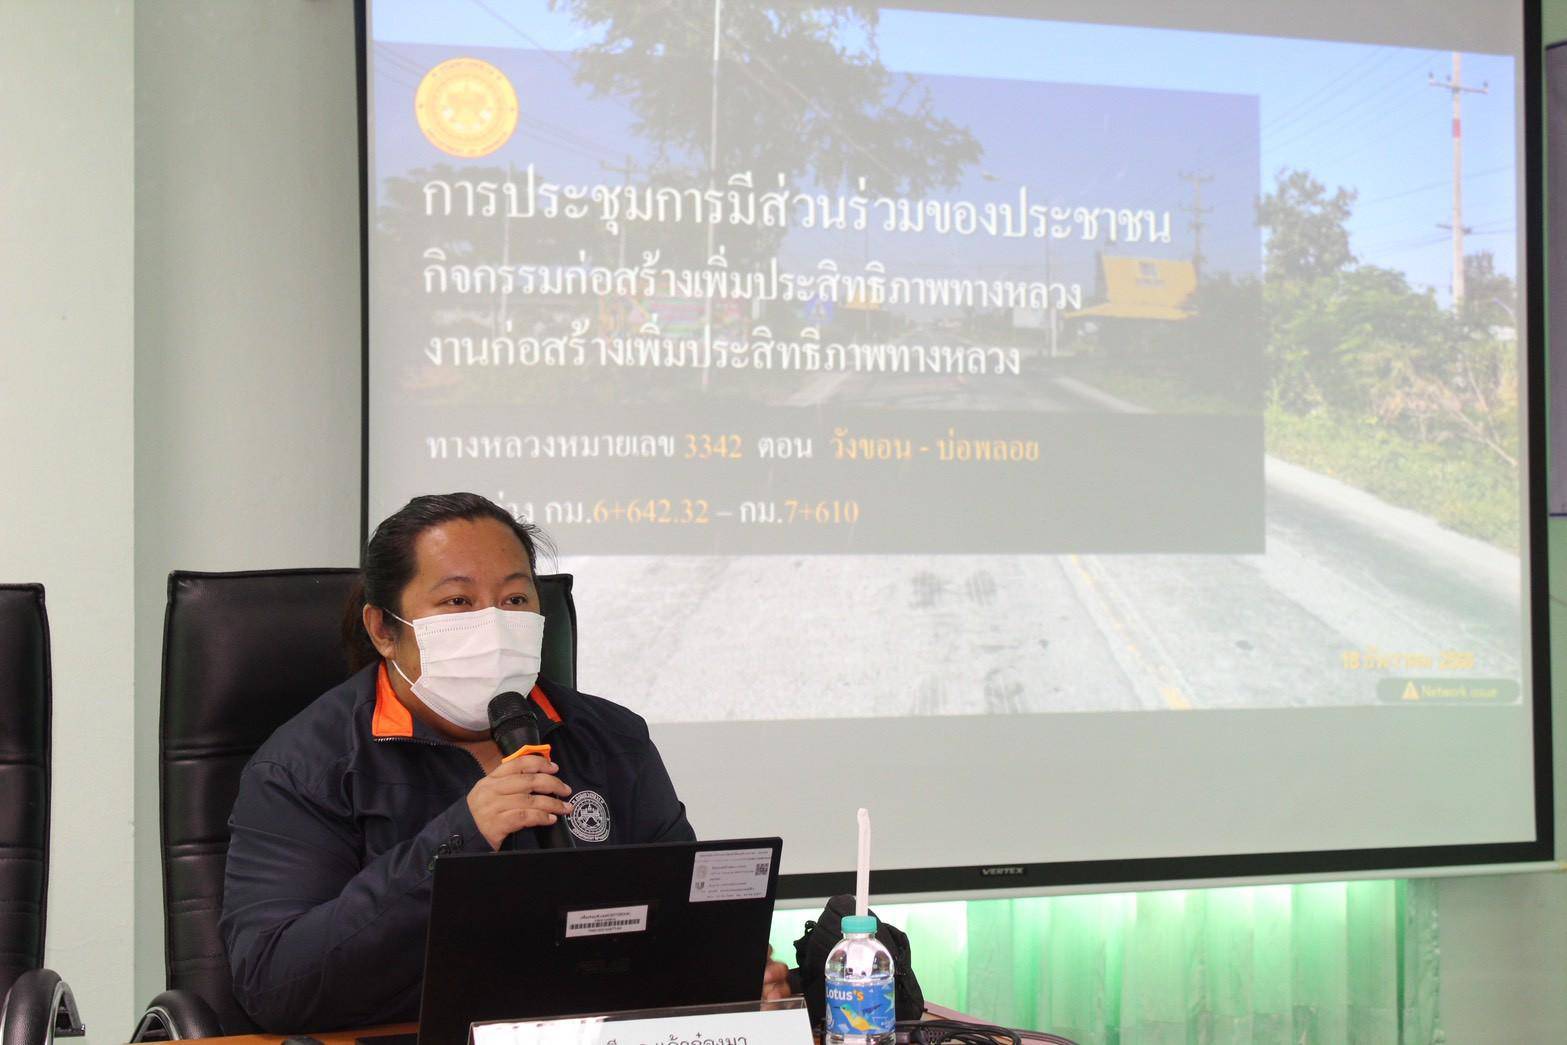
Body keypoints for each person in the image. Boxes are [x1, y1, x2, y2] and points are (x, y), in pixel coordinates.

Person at [219, 492, 789, 1031]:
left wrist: (728, 968)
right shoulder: (306, 767)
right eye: (458, 602)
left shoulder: (611, 738)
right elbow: (277, 985)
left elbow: (679, 912)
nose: (493, 624)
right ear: (384, 630)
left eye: (515, 599)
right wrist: (461, 836)